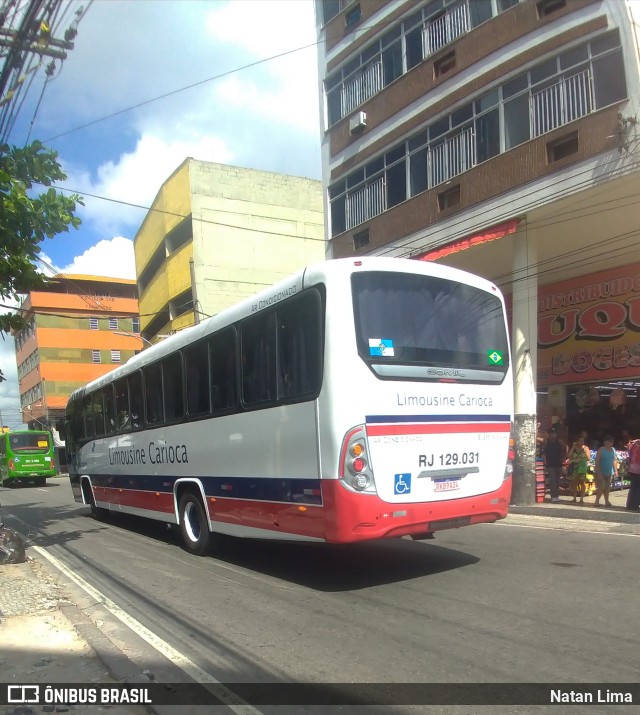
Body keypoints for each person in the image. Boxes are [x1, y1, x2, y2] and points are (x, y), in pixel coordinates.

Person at [542, 429, 566, 503]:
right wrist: (545, 463)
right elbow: (543, 453)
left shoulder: (559, 442)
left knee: (558, 480)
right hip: (550, 464)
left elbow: (564, 449)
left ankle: (557, 496)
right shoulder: (546, 442)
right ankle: (553, 496)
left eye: (554, 434)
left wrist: (563, 459)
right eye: (552, 434)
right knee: (552, 480)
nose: (553, 435)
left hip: (558, 464)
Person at [594, 436, 617, 507]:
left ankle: (607, 501)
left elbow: (614, 460)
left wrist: (615, 470)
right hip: (601, 471)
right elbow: (597, 461)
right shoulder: (601, 449)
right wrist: (598, 472)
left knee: (607, 488)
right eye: (608, 441)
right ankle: (597, 500)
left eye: (611, 442)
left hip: (609, 472)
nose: (610, 443)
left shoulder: (613, 450)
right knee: (602, 486)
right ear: (604, 442)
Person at [568, 435, 590, 504]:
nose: (582, 442)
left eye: (583, 441)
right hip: (575, 468)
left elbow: (588, 458)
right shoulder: (574, 449)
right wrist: (573, 447)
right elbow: (569, 456)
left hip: (582, 467)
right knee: (574, 483)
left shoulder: (586, 448)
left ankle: (581, 498)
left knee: (582, 483)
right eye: (580, 441)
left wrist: (584, 452)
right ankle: (574, 498)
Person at [625, 434, 640, 513]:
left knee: (634, 488)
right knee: (637, 488)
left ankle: (631, 505)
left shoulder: (633, 443)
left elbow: (628, 455)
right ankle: (634, 505)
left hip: (633, 468)